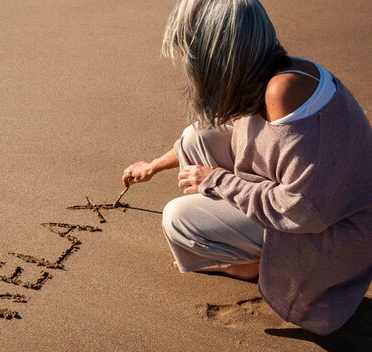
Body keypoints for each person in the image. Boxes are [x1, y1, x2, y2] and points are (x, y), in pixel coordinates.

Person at [122, 0, 372, 336]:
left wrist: (216, 181)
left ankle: (257, 266)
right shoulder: (284, 72)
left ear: (217, 55)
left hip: (339, 237)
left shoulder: (282, 94)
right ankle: (256, 256)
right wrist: (153, 166)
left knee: (179, 218)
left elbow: (302, 211)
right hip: (324, 206)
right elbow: (210, 136)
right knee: (199, 136)